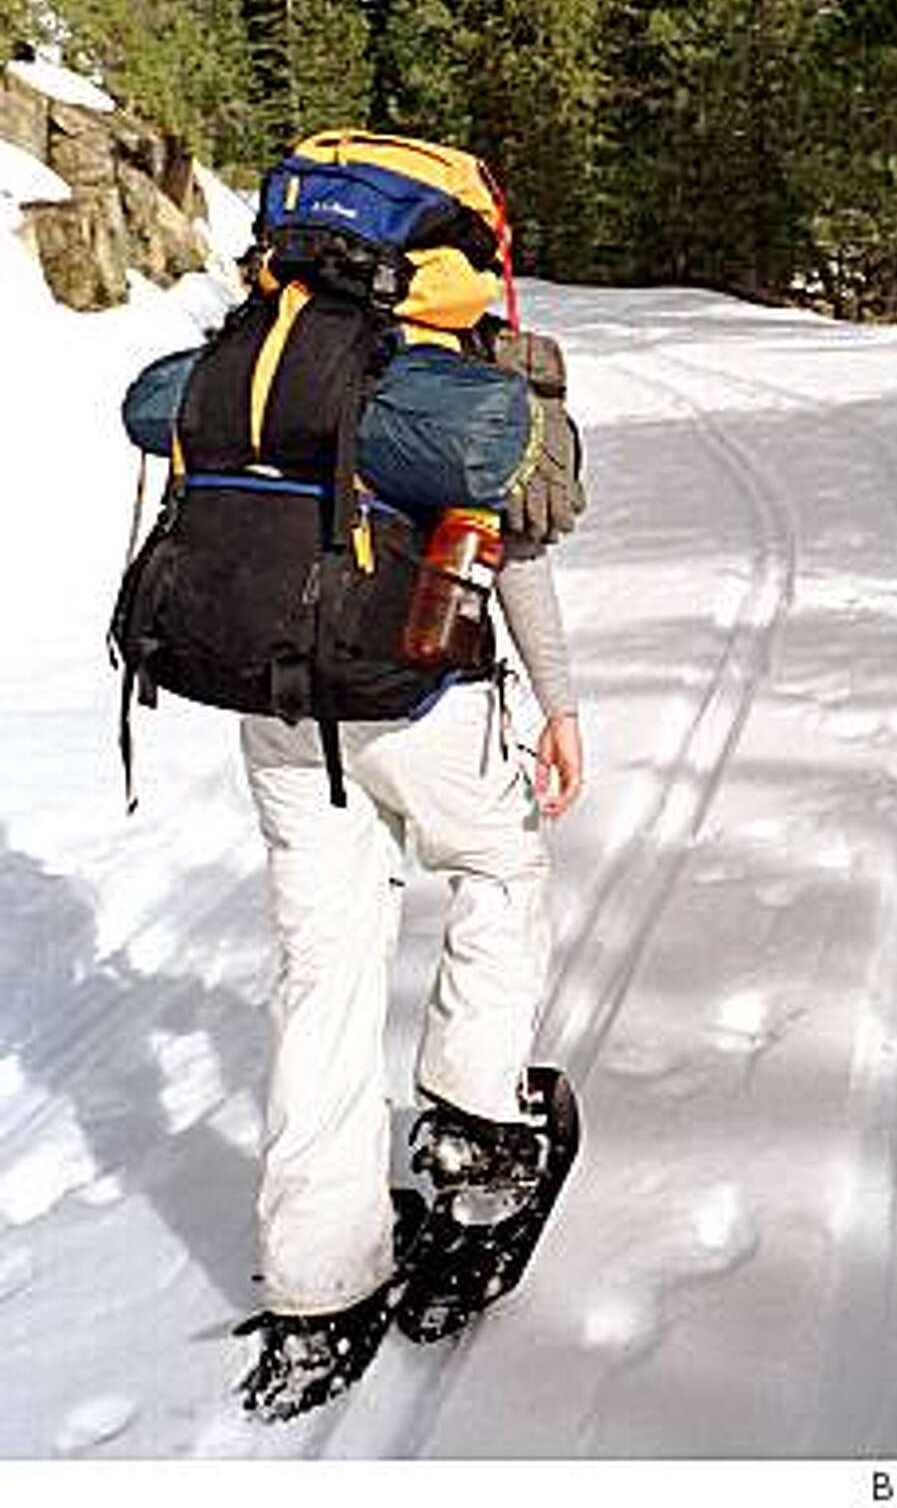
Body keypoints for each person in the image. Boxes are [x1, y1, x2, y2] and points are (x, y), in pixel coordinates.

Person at [118, 140, 585, 1423]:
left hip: (275, 699)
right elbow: (518, 546)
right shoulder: (449, 365)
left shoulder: (250, 358)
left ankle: (320, 1286)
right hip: (427, 694)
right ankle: (478, 1130)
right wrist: (560, 702)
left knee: (321, 966)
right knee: (496, 869)